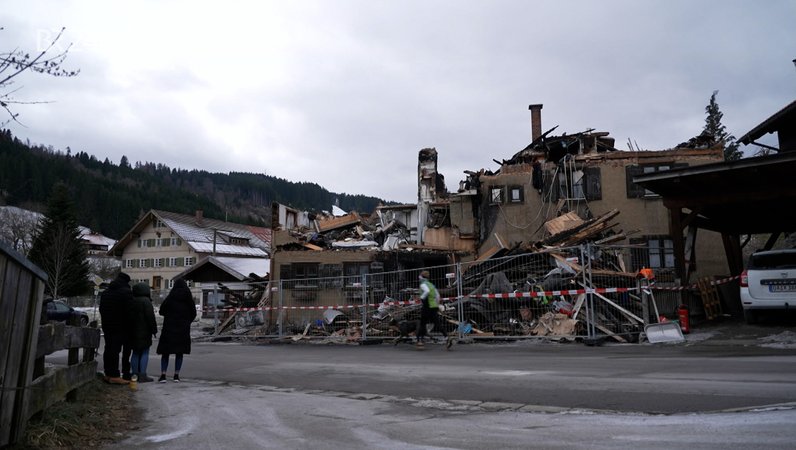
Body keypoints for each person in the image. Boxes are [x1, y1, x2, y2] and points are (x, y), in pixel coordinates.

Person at [157, 278, 197, 382]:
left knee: (165, 353)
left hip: (169, 329)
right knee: (180, 352)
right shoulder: (188, 299)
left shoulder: (170, 297)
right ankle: (176, 375)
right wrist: (187, 321)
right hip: (182, 329)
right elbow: (194, 313)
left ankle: (163, 375)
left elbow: (161, 311)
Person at [99, 272, 133, 384]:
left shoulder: (105, 293)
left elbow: (101, 309)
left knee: (108, 348)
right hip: (120, 326)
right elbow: (129, 312)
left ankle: (107, 373)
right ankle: (114, 375)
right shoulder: (126, 293)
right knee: (115, 350)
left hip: (107, 325)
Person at [416, 270, 453, 350]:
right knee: (437, 323)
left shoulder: (423, 284)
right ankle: (447, 338)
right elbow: (437, 296)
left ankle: (420, 341)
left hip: (426, 306)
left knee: (422, 323)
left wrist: (422, 298)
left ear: (422, 277)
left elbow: (427, 291)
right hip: (433, 307)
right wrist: (436, 304)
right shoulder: (431, 285)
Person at [130, 282, 158, 382]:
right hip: (145, 332)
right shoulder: (146, 302)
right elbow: (151, 317)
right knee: (145, 352)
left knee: (135, 353)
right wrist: (154, 330)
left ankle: (134, 374)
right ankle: (142, 375)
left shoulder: (132, 301)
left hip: (132, 331)